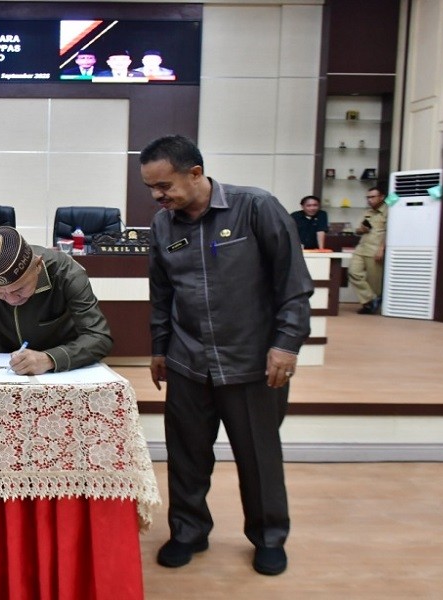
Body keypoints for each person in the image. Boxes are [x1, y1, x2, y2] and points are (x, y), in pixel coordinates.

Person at [141, 135, 312, 576]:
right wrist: (159, 348)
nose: (158, 196)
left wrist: (286, 344)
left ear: (195, 173)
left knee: (259, 456)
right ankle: (188, 531)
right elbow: (161, 294)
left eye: (164, 186)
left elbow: (293, 284)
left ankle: (269, 536)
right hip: (187, 360)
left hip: (251, 362)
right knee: (186, 455)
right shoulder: (163, 225)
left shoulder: (256, 208)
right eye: (151, 188)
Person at [0, 225, 112, 375]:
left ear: (38, 266)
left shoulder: (66, 273)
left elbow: (98, 337)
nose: (11, 300)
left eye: (19, 289)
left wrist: (50, 359)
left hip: (58, 364)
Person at [348, 186, 388, 314]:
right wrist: (361, 230)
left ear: (381, 197)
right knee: (353, 272)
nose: (369, 200)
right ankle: (371, 300)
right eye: (368, 197)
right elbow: (358, 230)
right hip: (361, 247)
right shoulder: (368, 212)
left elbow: (390, 232)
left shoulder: (388, 211)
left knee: (374, 281)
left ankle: (370, 305)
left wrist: (381, 248)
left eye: (372, 197)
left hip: (375, 249)